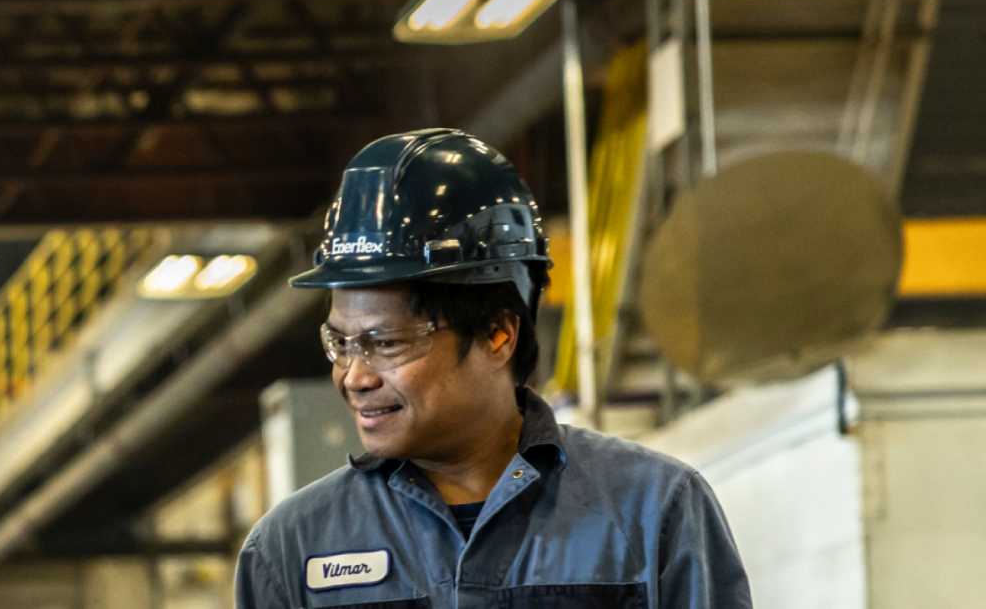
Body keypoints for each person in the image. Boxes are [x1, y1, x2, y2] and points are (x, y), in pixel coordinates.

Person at [234, 129, 750, 608]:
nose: (355, 377)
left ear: (498, 333)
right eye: (341, 344)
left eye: (385, 343)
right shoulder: (289, 552)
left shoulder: (653, 511)